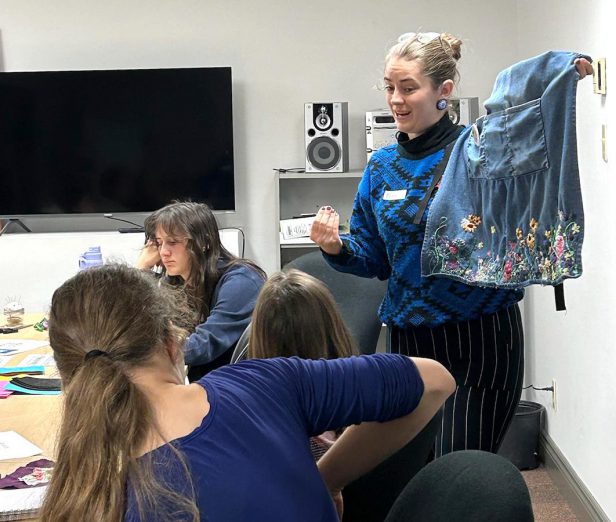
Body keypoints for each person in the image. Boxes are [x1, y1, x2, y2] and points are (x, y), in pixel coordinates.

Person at [310, 32, 593, 457]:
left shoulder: (480, 150)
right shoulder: (381, 167)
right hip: (410, 342)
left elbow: (522, 109)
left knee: (458, 462)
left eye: (408, 88)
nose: (396, 100)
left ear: (444, 92)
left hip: (482, 338)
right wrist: (336, 248)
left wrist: (562, 68)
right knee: (410, 469)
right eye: (389, 87)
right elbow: (374, 258)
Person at [39, 264, 455, 521]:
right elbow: (434, 380)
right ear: (172, 341)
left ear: (67, 378)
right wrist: (326, 478)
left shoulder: (90, 494)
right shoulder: (264, 381)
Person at [247, 269, 444, 522]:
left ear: (260, 338)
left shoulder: (273, 432)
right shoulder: (369, 399)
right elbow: (438, 382)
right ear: (333, 326)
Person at [136, 201, 266, 382]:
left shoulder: (242, 281)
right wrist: (142, 269)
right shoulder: (177, 282)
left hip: (240, 390)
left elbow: (203, 345)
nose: (164, 252)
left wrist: (142, 354)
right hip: (210, 386)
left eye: (173, 242)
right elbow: (147, 327)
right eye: (159, 243)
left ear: (203, 242)